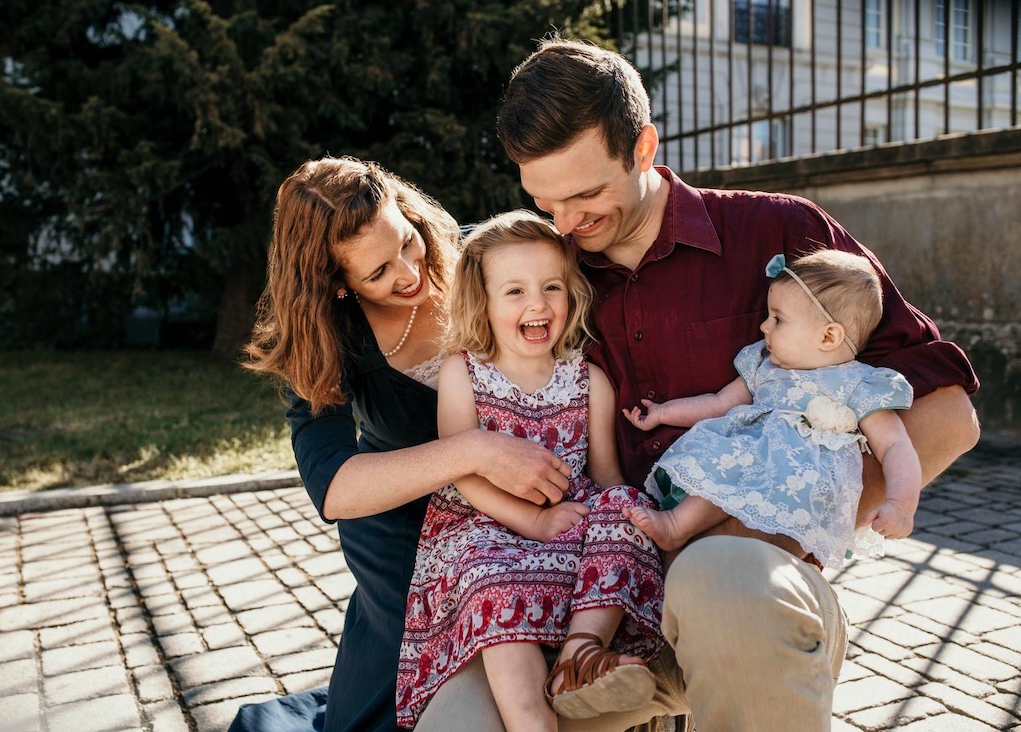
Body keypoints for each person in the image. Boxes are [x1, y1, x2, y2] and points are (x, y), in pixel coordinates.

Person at [416, 37, 979, 732]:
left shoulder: (782, 235)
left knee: (723, 584)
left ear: (644, 147)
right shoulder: (546, 281)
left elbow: (948, 417)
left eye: (588, 193)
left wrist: (767, 528)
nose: (566, 225)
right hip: (574, 592)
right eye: (544, 200)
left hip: (737, 594)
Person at [230, 156, 573, 732]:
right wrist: (476, 451)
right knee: (390, 709)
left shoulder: (480, 257)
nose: (411, 272)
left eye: (407, 241)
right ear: (337, 286)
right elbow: (334, 488)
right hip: (404, 522)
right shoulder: (327, 337)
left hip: (530, 491)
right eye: (378, 273)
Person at [396, 211, 664, 731]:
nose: (537, 303)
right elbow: (463, 473)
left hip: (567, 520)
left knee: (624, 511)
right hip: (485, 524)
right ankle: (530, 721)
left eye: (551, 287)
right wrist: (532, 523)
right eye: (515, 291)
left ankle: (577, 659)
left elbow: (605, 477)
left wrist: (627, 521)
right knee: (489, 571)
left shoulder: (590, 380)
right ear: (485, 302)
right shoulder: (465, 372)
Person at [623, 249, 921, 568]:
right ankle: (676, 526)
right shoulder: (764, 365)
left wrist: (901, 506)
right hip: (749, 460)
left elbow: (894, 445)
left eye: (777, 319)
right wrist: (662, 413)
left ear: (829, 335)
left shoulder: (858, 383)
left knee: (777, 544)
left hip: (804, 482)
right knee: (724, 474)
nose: (764, 327)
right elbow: (719, 403)